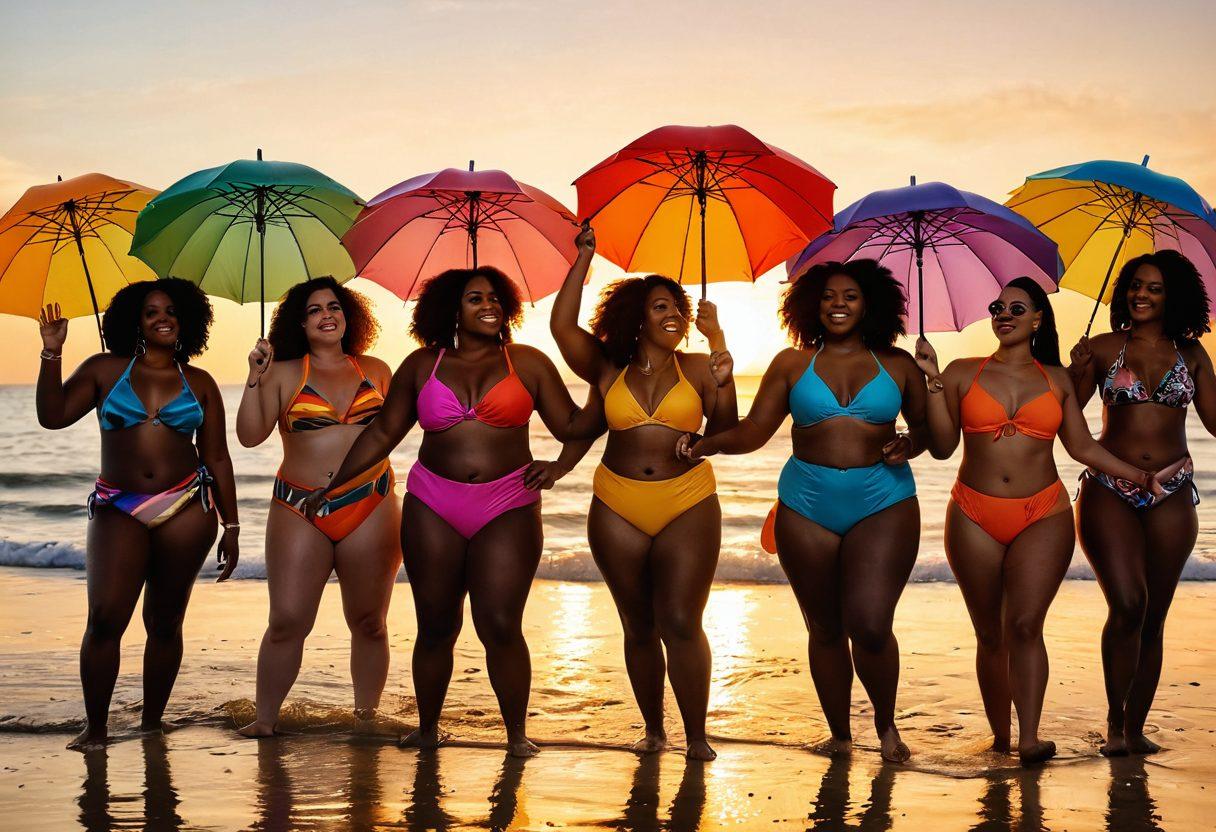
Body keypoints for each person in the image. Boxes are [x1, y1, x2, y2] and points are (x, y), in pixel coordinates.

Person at [305, 265, 601, 757]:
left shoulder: (526, 362)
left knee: (500, 624)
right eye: (474, 298)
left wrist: (566, 457)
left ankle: (516, 736)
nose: (489, 305)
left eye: (495, 297)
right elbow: (382, 434)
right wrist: (335, 486)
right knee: (436, 625)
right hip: (433, 503)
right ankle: (426, 730)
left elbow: (574, 424)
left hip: (508, 501)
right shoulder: (423, 365)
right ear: (451, 310)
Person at [680, 259, 926, 763]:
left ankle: (886, 727)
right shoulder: (792, 363)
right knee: (826, 628)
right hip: (806, 503)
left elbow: (937, 439)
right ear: (810, 305)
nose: (838, 304)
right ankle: (839, 736)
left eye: (850, 295)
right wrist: (707, 444)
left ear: (870, 304)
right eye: (829, 295)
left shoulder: (899, 364)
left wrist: (912, 438)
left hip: (883, 500)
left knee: (872, 625)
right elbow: (753, 432)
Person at [915, 277, 1162, 765]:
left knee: (1026, 625)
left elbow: (1083, 447)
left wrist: (1139, 475)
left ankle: (1029, 738)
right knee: (989, 633)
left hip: (1042, 513)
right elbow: (943, 448)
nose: (1003, 313)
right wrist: (933, 381)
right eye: (997, 306)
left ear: (1037, 320)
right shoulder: (963, 372)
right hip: (973, 513)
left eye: (1016, 307)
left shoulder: (1058, 379)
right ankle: (1001, 738)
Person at [550, 224, 736, 761]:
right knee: (637, 625)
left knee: (680, 621)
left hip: (687, 503)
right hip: (616, 504)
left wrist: (722, 356)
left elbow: (724, 432)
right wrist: (584, 257)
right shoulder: (609, 368)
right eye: (659, 306)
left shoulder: (701, 367)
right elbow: (562, 326)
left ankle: (697, 736)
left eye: (677, 305)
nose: (673, 313)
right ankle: (654, 731)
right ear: (637, 316)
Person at [35, 279, 239, 750]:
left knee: (165, 623)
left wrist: (231, 524)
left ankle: (151, 723)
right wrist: (52, 352)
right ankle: (97, 727)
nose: (162, 318)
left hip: (187, 506)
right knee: (106, 618)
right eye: (150, 312)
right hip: (118, 508)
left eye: (170, 310)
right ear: (135, 322)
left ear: (186, 319)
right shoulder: (106, 370)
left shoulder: (200, 382)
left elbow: (218, 458)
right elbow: (53, 415)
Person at [235, 277, 400, 737]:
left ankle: (365, 719)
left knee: (369, 622)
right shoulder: (284, 371)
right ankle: (264, 720)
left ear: (350, 316)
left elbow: (406, 424)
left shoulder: (378, 369)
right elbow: (249, 436)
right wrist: (255, 375)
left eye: (334, 307)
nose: (327, 315)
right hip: (298, 508)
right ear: (299, 322)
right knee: (287, 620)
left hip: (371, 502)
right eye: (314, 310)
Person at [1067, 250, 1215, 756]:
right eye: (1135, 285)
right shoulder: (1106, 348)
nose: (1141, 294)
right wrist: (1074, 370)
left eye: (1153, 287)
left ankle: (1135, 730)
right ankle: (1113, 720)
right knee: (1128, 603)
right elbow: (1063, 416)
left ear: (1173, 295)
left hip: (1173, 489)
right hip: (1110, 488)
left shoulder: (1192, 354)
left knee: (1154, 616)